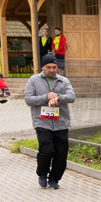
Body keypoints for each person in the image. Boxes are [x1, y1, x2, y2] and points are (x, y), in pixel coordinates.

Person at [24, 54, 76, 189]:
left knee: (61, 152)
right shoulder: (34, 80)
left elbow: (71, 96)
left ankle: (54, 178)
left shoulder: (63, 81)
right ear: (42, 67)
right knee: (46, 150)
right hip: (42, 122)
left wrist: (58, 98)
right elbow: (29, 99)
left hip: (61, 122)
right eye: (48, 67)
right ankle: (42, 173)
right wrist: (45, 97)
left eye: (54, 67)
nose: (52, 70)